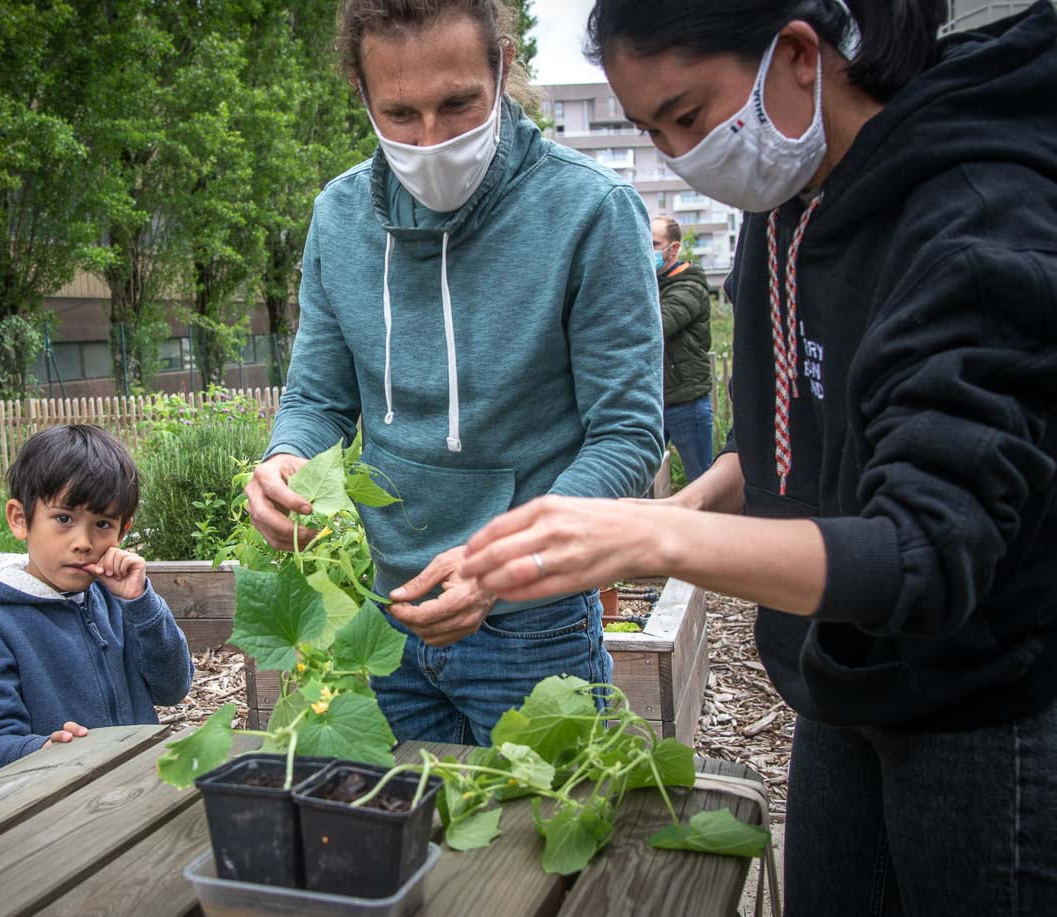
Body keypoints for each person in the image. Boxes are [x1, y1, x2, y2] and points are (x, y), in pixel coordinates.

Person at [460, 1, 1057, 912]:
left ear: (799, 54)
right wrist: (678, 508)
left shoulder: (974, 217)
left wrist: (649, 542)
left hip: (980, 700)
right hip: (843, 674)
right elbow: (794, 436)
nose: (679, 156)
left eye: (689, 116)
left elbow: (925, 550)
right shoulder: (789, 201)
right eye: (652, 132)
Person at [244, 0, 665, 747]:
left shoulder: (590, 211)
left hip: (533, 625)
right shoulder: (340, 216)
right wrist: (287, 459)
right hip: (383, 619)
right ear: (360, 91)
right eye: (400, 113)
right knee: (399, 819)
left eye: (459, 104)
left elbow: (627, 436)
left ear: (503, 66)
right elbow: (317, 398)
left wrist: (503, 562)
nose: (431, 140)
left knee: (544, 820)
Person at [0, 425, 193, 778]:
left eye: (102, 523)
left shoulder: (118, 601)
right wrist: (41, 751)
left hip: (136, 782)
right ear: (20, 519)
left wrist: (142, 605)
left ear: (123, 529)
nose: (83, 542)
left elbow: (172, 688)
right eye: (63, 519)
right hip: (56, 799)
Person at [651, 215, 714, 481]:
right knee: (642, 479)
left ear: (674, 248)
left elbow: (657, 326)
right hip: (655, 403)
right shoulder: (654, 285)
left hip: (686, 402)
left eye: (654, 244)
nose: (647, 250)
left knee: (702, 480)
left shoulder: (689, 288)